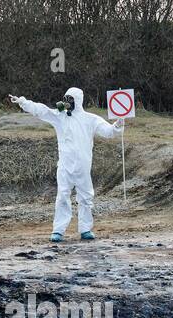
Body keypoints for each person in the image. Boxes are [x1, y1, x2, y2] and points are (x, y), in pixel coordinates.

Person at [8, 86, 123, 242]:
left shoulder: (91, 119)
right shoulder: (59, 116)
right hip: (65, 166)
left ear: (78, 101)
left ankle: (85, 229)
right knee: (62, 196)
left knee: (86, 198)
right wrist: (23, 102)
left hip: (83, 166)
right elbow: (41, 110)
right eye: (65, 98)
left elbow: (108, 132)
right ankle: (58, 230)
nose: (66, 102)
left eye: (70, 99)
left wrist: (117, 125)